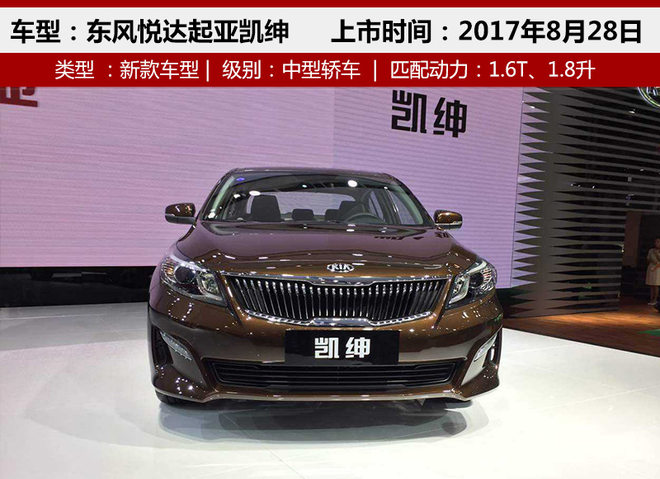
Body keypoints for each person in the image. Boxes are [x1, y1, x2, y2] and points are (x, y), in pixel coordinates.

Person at [647, 237, 660, 305]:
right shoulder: (651, 250)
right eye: (656, 242)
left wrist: (657, 254)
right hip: (651, 266)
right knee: (651, 284)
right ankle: (651, 299)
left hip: (658, 268)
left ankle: (655, 300)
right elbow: (648, 258)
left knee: (656, 284)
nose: (657, 243)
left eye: (658, 242)